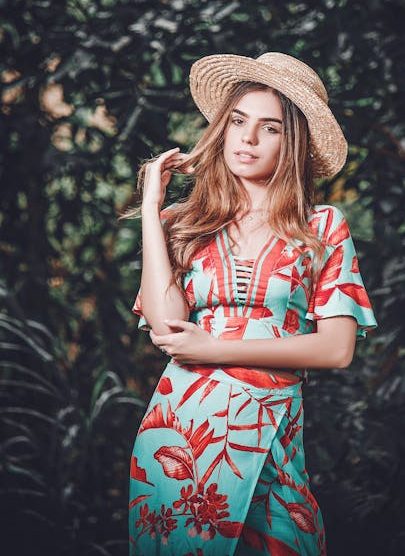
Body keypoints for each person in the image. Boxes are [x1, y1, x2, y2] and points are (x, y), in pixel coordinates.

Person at [128, 52, 378, 556]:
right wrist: (152, 213)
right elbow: (168, 324)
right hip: (181, 430)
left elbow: (336, 349)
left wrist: (214, 348)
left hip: (269, 425)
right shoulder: (184, 221)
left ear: (293, 143)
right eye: (238, 122)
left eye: (270, 128)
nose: (247, 139)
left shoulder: (323, 226)